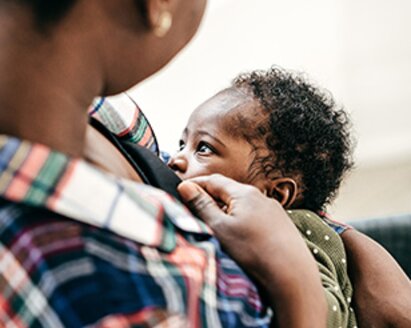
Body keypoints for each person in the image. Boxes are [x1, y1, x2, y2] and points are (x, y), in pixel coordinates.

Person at [0, 1, 341, 327]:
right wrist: (298, 283)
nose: (178, 158)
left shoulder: (104, 112)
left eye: (202, 147)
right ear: (157, 2)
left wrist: (345, 244)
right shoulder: (120, 291)